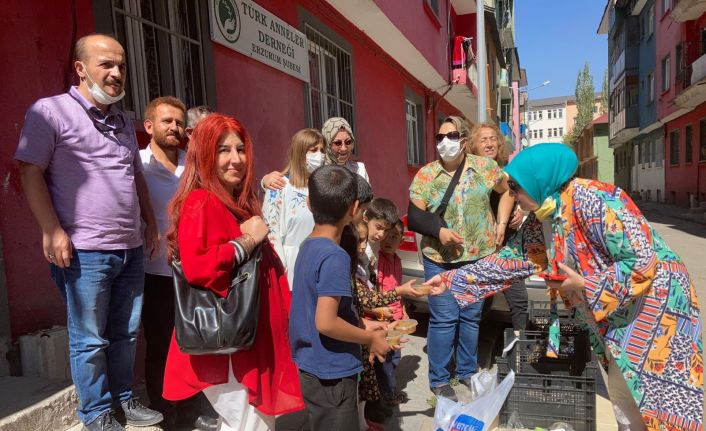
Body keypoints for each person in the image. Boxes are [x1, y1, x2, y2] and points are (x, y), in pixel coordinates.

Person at [426, 143, 704, 431]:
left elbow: (643, 261)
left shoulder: (597, 200)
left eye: (515, 186)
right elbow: (510, 261)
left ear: (539, 179)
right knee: (625, 393)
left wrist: (585, 284)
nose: (511, 194)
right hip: (616, 313)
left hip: (658, 309)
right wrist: (449, 281)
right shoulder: (545, 214)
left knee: (660, 399)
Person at [15, 34, 163, 431]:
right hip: (85, 251)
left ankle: (123, 399)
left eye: (121, 66)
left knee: (126, 333)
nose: (116, 73)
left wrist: (148, 222)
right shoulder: (50, 112)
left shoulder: (122, 122)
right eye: (106, 65)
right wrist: (51, 230)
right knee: (91, 339)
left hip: (129, 246)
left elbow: (135, 176)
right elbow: (30, 171)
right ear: (80, 68)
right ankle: (96, 412)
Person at [162, 114, 305, 431]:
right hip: (230, 346)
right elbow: (199, 267)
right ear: (205, 155)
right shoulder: (202, 201)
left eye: (240, 150)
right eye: (223, 150)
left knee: (250, 424)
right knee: (248, 425)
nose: (236, 159)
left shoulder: (234, 200)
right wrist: (248, 239)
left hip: (249, 339)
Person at [408, 115, 514, 401]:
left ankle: (466, 370)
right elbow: (415, 216)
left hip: (478, 257)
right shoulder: (427, 174)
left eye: (452, 136)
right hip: (438, 257)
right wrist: (438, 230)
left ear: (464, 141)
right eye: (440, 138)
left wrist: (502, 224)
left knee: (470, 317)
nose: (445, 143)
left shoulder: (485, 167)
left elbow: (508, 192)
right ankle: (440, 379)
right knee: (444, 318)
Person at [289, 165, 391, 431]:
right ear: (355, 208)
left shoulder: (308, 244)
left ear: (310, 203)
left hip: (314, 367)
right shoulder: (335, 257)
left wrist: (362, 326)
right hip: (332, 373)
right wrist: (370, 338)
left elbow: (318, 309)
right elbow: (326, 322)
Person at [469, 122, 528, 330]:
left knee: (519, 301)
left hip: (507, 248)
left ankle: (521, 351)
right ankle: (467, 352)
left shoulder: (507, 172)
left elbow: (520, 197)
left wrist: (519, 210)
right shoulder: (471, 175)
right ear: (474, 146)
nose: (489, 143)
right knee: (479, 304)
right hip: (482, 249)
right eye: (483, 139)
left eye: (493, 138)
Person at [262, 128, 325, 288]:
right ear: (300, 153)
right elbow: (272, 233)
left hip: (319, 265)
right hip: (289, 269)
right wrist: (280, 272)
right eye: (314, 150)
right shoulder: (280, 186)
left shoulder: (323, 189)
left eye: (322, 150)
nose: (320, 155)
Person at [261, 117, 368, 190]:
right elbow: (294, 177)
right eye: (337, 143)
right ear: (328, 144)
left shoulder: (359, 169)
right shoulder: (318, 168)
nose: (344, 148)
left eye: (348, 142)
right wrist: (265, 181)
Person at [375, 220, 408, 407]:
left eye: (394, 237)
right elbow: (378, 291)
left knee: (395, 356)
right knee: (386, 359)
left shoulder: (397, 261)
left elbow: (400, 288)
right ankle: (388, 393)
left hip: (396, 318)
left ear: (401, 240)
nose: (389, 240)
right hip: (383, 317)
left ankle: (387, 389)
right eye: (387, 236)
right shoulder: (379, 261)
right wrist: (381, 314)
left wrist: (403, 310)